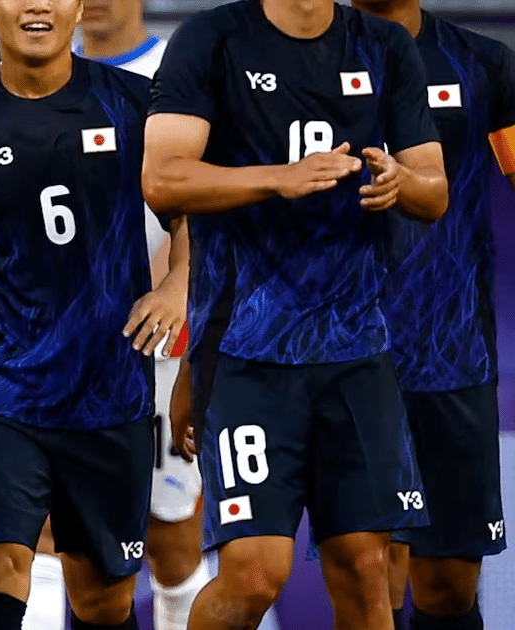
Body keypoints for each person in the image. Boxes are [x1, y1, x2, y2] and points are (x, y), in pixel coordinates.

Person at [144, 0, 450, 629]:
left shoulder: (385, 46)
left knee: (367, 568)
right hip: (245, 352)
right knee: (255, 574)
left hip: (356, 348)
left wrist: (399, 180)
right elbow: (163, 178)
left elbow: (433, 189)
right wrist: (276, 177)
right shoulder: (211, 39)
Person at [0, 0, 190, 626]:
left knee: (103, 599)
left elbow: (192, 210)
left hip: (111, 390)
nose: (37, 4)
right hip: (1, 389)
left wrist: (177, 284)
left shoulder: (137, 104)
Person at [350, 2, 513, 629]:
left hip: (453, 355)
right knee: (371, 567)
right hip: (345, 353)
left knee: (447, 586)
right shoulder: (300, 59)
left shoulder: (484, 64)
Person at [71, 3, 211, 630]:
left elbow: (208, 197)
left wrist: (177, 281)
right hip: (54, 346)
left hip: (156, 343)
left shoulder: (176, 71)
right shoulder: (35, 66)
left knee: (170, 537)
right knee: (42, 531)